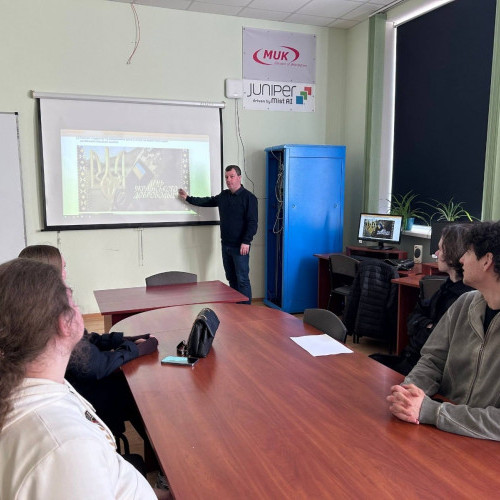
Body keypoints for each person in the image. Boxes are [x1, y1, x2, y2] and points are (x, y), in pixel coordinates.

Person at [0, 258, 160, 499]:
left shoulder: (28, 389)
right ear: (63, 324)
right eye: (72, 300)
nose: (79, 308)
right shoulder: (67, 450)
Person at [18, 245, 158, 439]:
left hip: (67, 390)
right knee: (135, 390)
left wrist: (123, 340)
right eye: (63, 267)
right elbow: (95, 366)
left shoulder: (28, 307)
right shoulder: (50, 315)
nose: (65, 273)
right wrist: (134, 349)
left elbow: (84, 339)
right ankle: (159, 449)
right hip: (80, 398)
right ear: (49, 272)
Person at [386, 220, 500, 440]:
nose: (461, 259)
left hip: (484, 446)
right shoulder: (464, 303)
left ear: (487, 260)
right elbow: (432, 360)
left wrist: (432, 411)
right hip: (441, 431)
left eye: (468, 252)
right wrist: (408, 393)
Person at [371, 224, 472, 375]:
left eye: (440, 249)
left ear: (453, 254)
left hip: (422, 368)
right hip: (410, 358)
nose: (436, 253)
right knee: (371, 362)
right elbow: (413, 316)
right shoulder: (447, 286)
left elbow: (436, 340)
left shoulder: (463, 298)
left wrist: (423, 325)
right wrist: (427, 326)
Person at [178, 165, 258, 304]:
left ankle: (246, 310)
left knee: (242, 279)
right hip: (226, 245)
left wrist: (246, 241)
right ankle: (236, 307)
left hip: (240, 247)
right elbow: (207, 201)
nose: (228, 180)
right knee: (231, 278)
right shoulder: (224, 196)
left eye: (232, 176)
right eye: (226, 177)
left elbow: (252, 222)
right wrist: (188, 198)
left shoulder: (249, 198)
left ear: (239, 177)